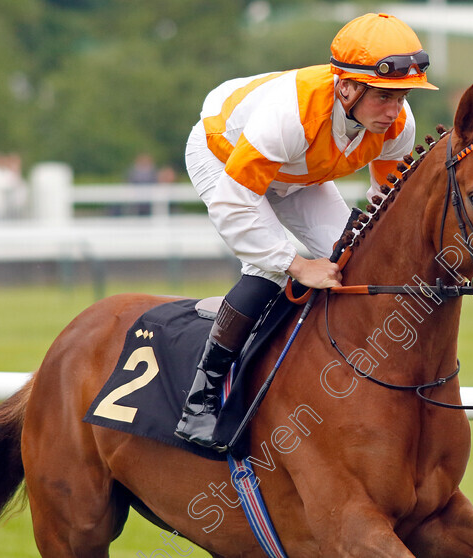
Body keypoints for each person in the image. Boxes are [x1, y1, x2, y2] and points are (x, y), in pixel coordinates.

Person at [176, 13, 437, 448]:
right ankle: (201, 401)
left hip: (297, 173)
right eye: (384, 97)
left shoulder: (397, 124)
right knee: (269, 270)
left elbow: (384, 198)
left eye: (403, 96)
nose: (394, 111)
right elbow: (233, 204)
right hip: (222, 156)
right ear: (347, 87)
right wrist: (296, 264)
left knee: (354, 256)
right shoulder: (289, 115)